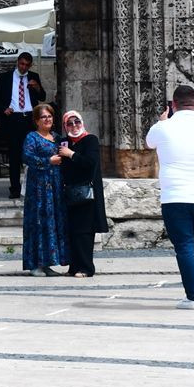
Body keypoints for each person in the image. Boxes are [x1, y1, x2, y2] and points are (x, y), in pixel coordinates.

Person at [145, 84, 194, 310]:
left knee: (185, 246)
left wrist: (163, 120)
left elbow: (149, 143)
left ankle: (193, 297)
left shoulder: (163, 127)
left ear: (173, 105)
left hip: (175, 195)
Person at [0, 52, 47, 199]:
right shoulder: (5, 77)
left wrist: (37, 87)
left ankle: (33, 188)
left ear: (30, 65)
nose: (24, 67)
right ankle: (15, 188)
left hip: (29, 119)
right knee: (14, 155)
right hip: (13, 119)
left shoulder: (33, 77)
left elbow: (42, 97)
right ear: (17, 62)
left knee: (32, 154)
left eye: (27, 65)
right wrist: (3, 109)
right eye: (22, 64)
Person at [21, 103, 69, 276]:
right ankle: (35, 264)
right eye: (43, 117)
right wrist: (48, 161)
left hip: (55, 186)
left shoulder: (56, 137)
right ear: (36, 120)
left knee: (52, 222)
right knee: (39, 222)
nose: (47, 119)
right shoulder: (32, 137)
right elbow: (27, 157)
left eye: (49, 116)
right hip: (39, 187)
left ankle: (48, 262)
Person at [59, 110, 108, 277]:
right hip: (70, 192)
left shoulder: (90, 140)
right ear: (65, 126)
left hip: (87, 193)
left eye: (77, 122)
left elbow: (90, 163)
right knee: (72, 231)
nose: (74, 126)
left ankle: (86, 268)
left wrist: (71, 155)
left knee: (85, 232)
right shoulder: (64, 142)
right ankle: (74, 267)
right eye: (69, 124)